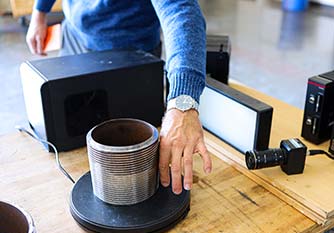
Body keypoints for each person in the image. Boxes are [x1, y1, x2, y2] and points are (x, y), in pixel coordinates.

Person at [26, 0, 212, 195]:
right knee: (72, 145)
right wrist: (40, 11)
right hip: (74, 34)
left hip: (130, 55)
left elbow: (180, 10)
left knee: (130, 154)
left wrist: (183, 102)